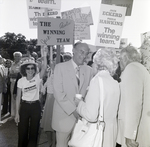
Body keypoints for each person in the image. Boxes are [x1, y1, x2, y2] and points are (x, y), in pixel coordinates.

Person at [74, 48, 120, 147]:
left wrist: (79, 103)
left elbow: (91, 115)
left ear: (99, 65)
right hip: (110, 133)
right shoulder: (115, 82)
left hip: (98, 135)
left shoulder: (97, 81)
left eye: (94, 63)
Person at [52, 42, 93, 147]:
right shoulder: (60, 68)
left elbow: (90, 93)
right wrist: (74, 110)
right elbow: (58, 94)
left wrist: (84, 110)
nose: (83, 56)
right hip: (63, 116)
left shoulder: (89, 70)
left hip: (81, 118)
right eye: (81, 52)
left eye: (86, 53)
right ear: (73, 51)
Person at [117, 45, 150, 147]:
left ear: (126, 58)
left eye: (120, 59)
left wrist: (130, 134)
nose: (119, 62)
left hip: (135, 133)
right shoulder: (140, 68)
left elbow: (134, 103)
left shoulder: (132, 69)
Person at [15, 46, 48, 147]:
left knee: (34, 131)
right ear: (25, 69)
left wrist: (44, 56)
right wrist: (17, 113)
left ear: (34, 70)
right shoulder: (21, 81)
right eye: (28, 68)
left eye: (32, 68)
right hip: (24, 107)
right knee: (22, 131)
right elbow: (18, 97)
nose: (30, 70)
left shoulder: (38, 78)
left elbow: (45, 66)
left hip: (35, 107)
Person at [40, 53, 63, 147]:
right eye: (51, 60)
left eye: (54, 60)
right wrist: (43, 87)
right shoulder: (50, 71)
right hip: (49, 98)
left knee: (55, 122)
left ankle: (54, 143)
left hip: (56, 98)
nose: (52, 62)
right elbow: (46, 81)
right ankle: (50, 142)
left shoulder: (61, 71)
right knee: (47, 123)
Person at [9, 51, 22, 119]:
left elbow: (19, 75)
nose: (16, 57)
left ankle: (19, 113)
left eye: (18, 56)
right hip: (12, 82)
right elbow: (10, 74)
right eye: (15, 56)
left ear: (20, 57)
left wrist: (15, 74)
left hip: (19, 83)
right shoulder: (12, 64)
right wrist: (14, 74)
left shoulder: (21, 64)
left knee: (18, 97)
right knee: (12, 98)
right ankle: (13, 114)